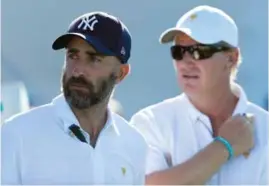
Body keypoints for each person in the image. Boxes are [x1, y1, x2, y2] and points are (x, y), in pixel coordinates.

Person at [1, 12, 147, 185]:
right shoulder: (17, 134)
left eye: (94, 59)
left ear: (121, 74)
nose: (77, 70)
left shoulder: (134, 144)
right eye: (73, 56)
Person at [130, 5, 268, 185]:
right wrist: (224, 147)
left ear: (231, 58)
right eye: (178, 52)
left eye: (199, 52)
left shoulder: (265, 127)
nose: (186, 62)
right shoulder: (150, 122)